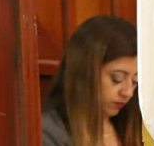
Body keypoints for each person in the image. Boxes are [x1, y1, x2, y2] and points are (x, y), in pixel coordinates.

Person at [42, 16, 141, 146]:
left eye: (135, 81)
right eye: (117, 78)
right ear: (85, 72)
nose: (128, 92)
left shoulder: (134, 125)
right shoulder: (49, 131)